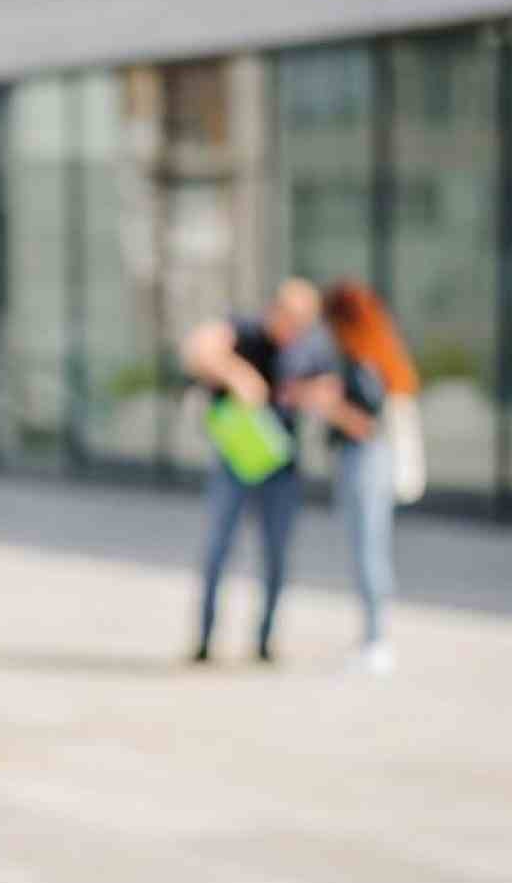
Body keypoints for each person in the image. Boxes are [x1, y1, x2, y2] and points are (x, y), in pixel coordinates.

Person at [180, 278, 326, 664]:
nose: (293, 328)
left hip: (280, 468)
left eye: (302, 322)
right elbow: (197, 349)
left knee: (276, 556)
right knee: (217, 549)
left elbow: (329, 389)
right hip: (235, 463)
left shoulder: (309, 350)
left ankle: (264, 641)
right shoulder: (244, 333)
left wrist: (305, 395)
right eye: (289, 318)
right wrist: (237, 374)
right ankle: (206, 639)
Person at [285, 279, 422, 675]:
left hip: (365, 461)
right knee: (368, 549)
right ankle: (372, 637)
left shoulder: (362, 361)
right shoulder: (373, 354)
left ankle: (376, 640)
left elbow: (366, 424)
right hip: (363, 460)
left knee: (369, 550)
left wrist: (325, 403)